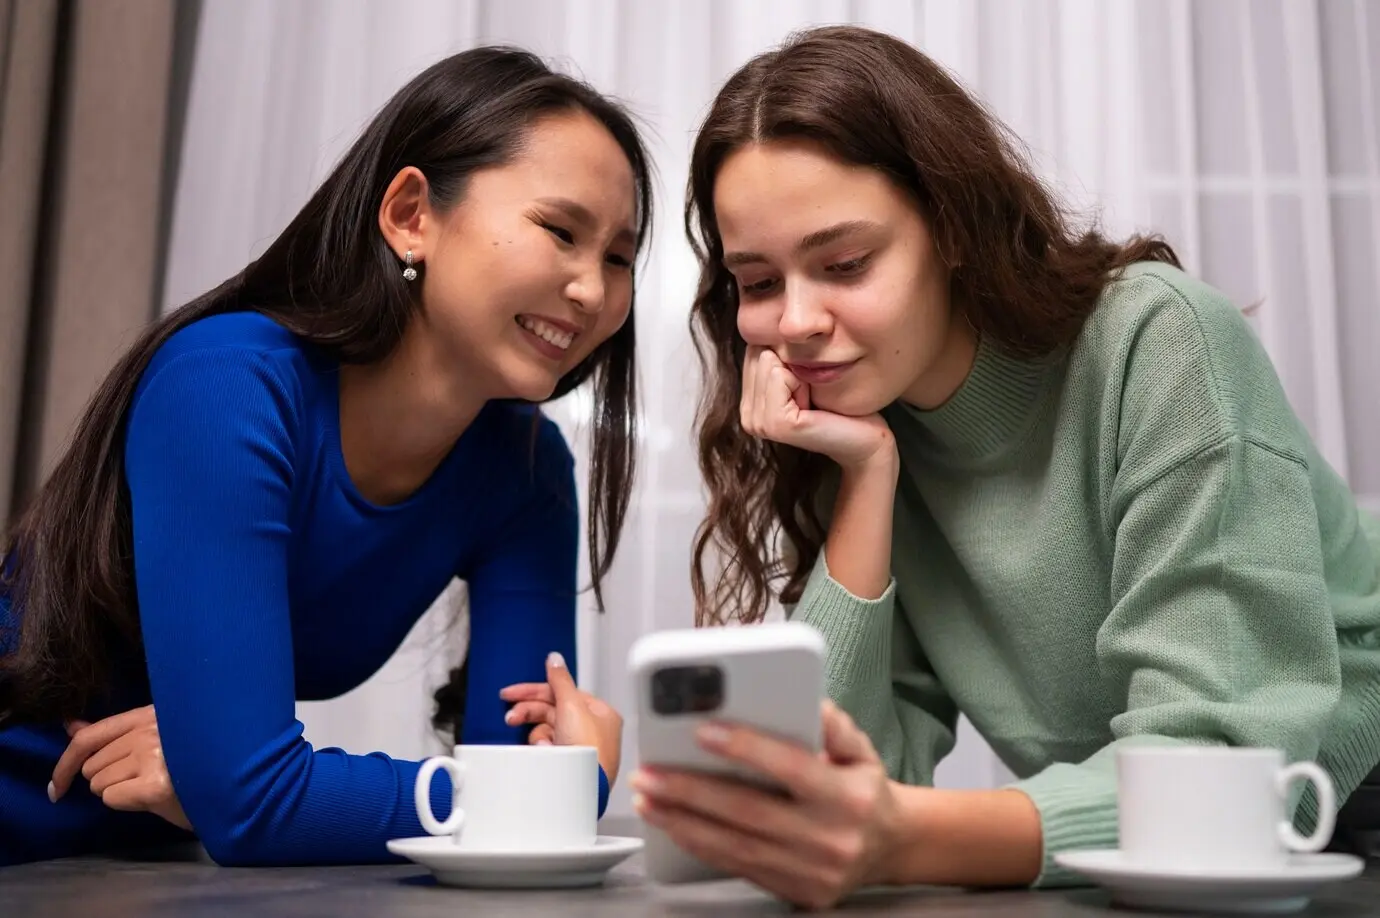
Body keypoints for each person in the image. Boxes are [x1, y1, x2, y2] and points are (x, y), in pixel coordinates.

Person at [627, 24, 1380, 909]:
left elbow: (1224, 766)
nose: (795, 322)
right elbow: (851, 773)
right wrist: (866, 484)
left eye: (844, 264)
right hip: (1155, 858)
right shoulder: (869, 419)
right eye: (758, 283)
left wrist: (901, 838)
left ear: (952, 227)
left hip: (1341, 808)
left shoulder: (1159, 344)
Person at [0, 46, 651, 867]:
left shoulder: (526, 472)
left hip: (151, 864)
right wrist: (559, 786)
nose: (593, 290)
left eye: (619, 258)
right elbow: (261, 802)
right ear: (412, 214)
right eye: (560, 231)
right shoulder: (228, 386)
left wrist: (244, 786)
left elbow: (516, 799)